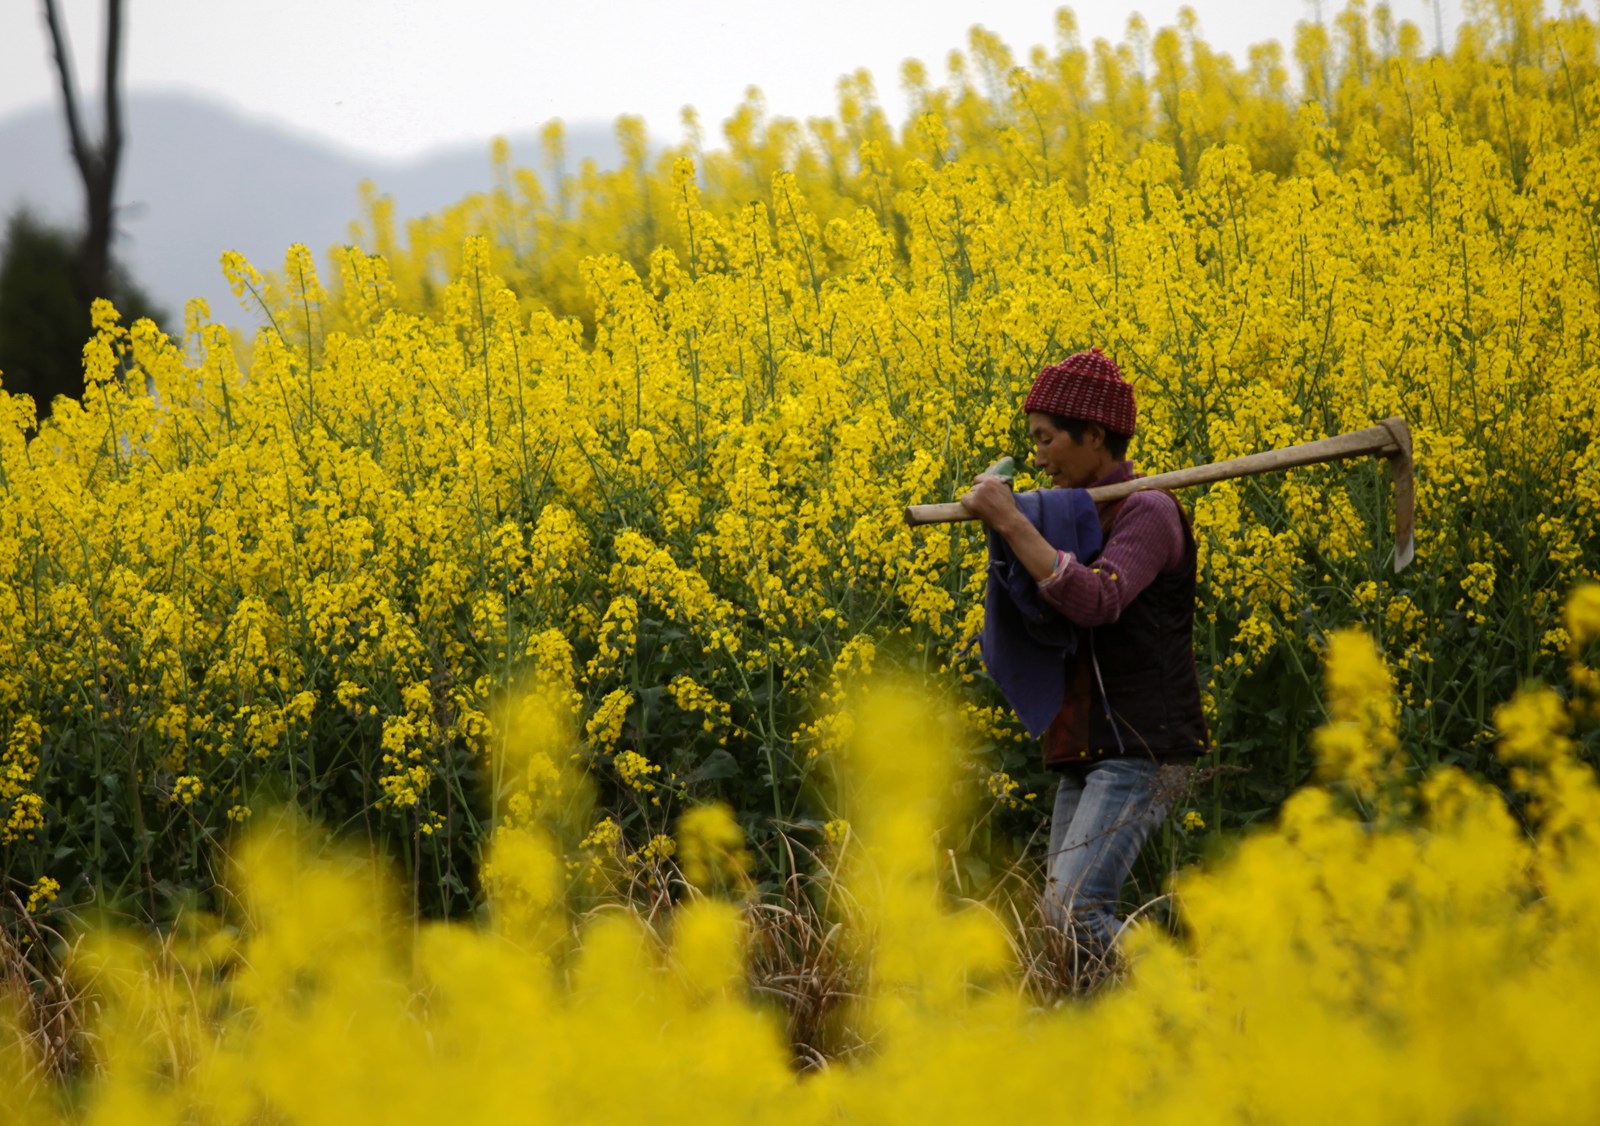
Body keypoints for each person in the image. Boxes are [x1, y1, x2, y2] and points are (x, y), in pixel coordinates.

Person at [959, 347, 1208, 959]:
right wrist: (1020, 524)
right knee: (1058, 928)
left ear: (1094, 436)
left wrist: (1016, 525)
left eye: (1047, 440)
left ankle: (1198, 1007)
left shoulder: (1147, 510)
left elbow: (1099, 599)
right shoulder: (1069, 519)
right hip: (1087, 744)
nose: (1038, 457)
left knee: (1075, 914)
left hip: (1141, 747)